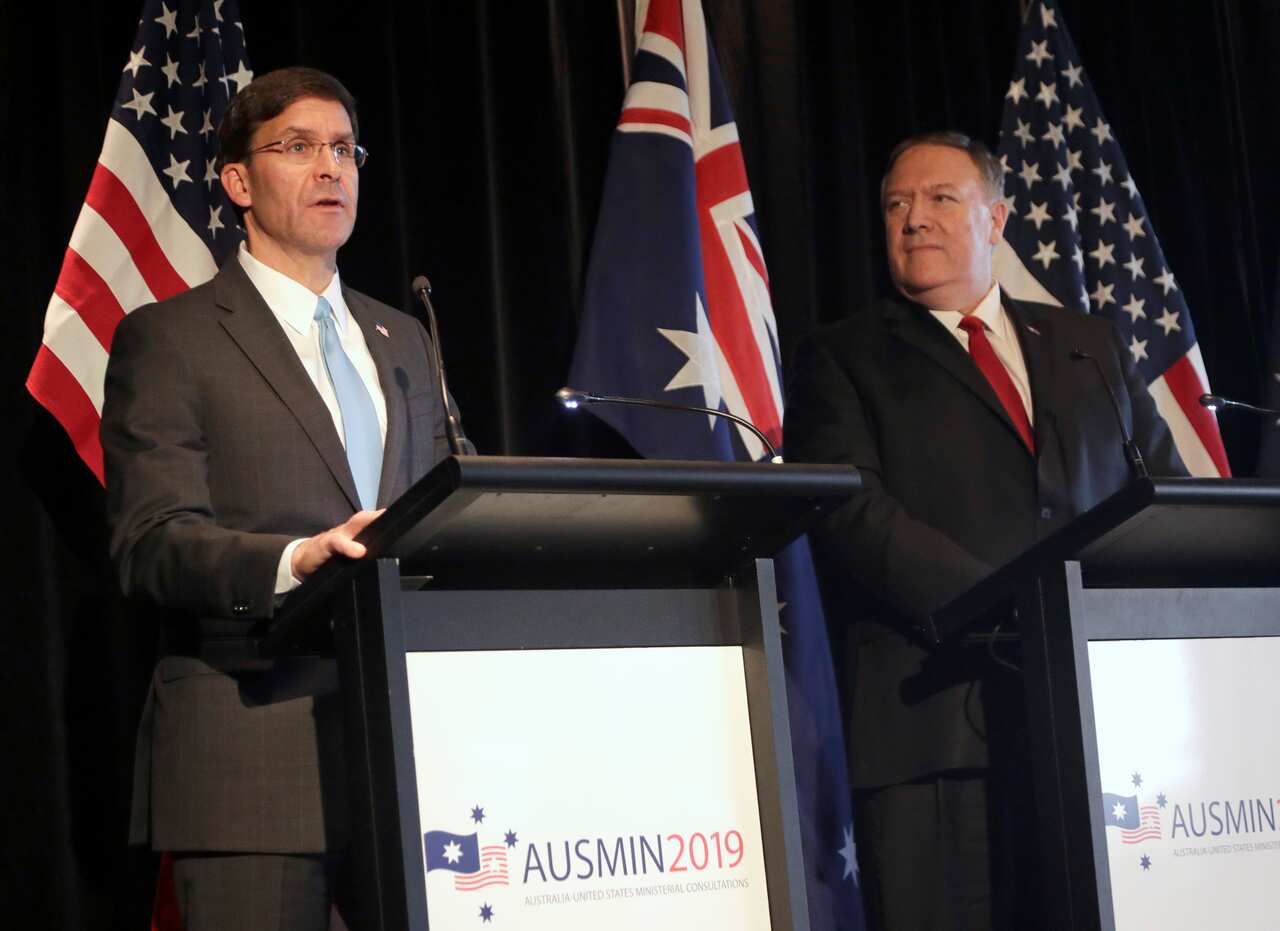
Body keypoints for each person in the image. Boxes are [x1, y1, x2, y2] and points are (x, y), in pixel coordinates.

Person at [784, 131, 1186, 930]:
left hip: (1098, 730)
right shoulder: (844, 355)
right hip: (934, 731)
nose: (914, 219)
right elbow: (850, 511)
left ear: (996, 219)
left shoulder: (1088, 345)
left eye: (941, 199)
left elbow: (1163, 496)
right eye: (897, 204)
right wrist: (1010, 606)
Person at [101, 67, 464, 930]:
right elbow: (150, 540)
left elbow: (443, 508)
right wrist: (294, 558)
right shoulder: (170, 339)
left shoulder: (403, 335)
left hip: (411, 766)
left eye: (344, 149)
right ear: (237, 181)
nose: (330, 168)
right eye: (298, 148)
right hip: (250, 763)